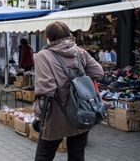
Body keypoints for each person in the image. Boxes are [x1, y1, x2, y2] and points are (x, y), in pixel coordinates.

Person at [33, 21, 104, 161]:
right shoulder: (80, 52)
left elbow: (46, 91)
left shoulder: (43, 55)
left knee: (44, 156)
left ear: (48, 37)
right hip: (81, 112)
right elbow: (98, 72)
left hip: (55, 116)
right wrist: (79, 83)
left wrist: (38, 117)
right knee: (77, 156)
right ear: (68, 34)